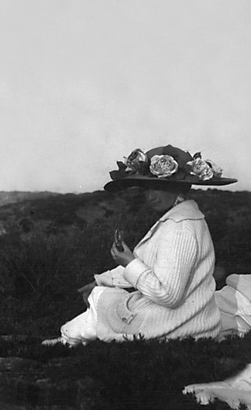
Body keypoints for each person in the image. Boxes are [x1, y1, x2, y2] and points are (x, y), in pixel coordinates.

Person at [44, 144, 237, 345]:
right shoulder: (182, 219)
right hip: (191, 322)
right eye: (146, 189)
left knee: (103, 299)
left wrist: (129, 262)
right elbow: (152, 265)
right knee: (104, 295)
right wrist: (101, 280)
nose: (150, 196)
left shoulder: (179, 227)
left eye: (158, 188)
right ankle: (71, 338)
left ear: (180, 187)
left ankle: (68, 340)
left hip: (177, 326)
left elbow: (168, 296)